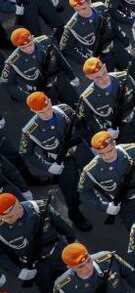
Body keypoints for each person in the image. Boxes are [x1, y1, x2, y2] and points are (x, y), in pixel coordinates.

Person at [17, 92, 93, 230]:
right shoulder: (30, 131)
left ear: (50, 101)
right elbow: (26, 154)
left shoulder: (64, 109)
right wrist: (48, 166)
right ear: (33, 110)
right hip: (61, 162)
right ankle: (75, 214)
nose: (47, 112)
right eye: (42, 111)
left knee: (96, 175)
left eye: (48, 107)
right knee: (71, 192)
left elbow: (81, 124)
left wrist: (87, 140)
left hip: (81, 152)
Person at [78, 130, 135, 229]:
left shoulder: (132, 151)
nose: (107, 156)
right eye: (102, 154)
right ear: (96, 152)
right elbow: (84, 192)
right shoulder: (91, 170)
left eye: (109, 150)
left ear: (115, 144)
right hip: (126, 206)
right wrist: (105, 206)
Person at [0, 192, 76, 293]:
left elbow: (62, 225)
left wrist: (72, 243)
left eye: (10, 216)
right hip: (35, 264)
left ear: (19, 207)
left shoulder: (40, 208)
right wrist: (18, 272)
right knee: (48, 291)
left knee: (75, 278)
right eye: (3, 218)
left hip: (58, 252)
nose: (6, 220)